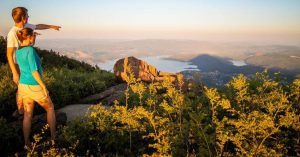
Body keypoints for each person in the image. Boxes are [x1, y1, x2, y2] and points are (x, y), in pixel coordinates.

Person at [6, 7, 61, 114]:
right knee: (20, 87)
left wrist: (51, 27)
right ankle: (20, 111)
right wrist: (14, 73)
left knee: (24, 86)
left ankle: (26, 110)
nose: (28, 16)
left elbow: (38, 26)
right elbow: (9, 55)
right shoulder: (12, 33)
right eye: (27, 15)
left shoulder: (26, 26)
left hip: (27, 60)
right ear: (23, 18)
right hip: (19, 63)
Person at [15, 27, 56, 148]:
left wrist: (34, 36)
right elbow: (34, 71)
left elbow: (25, 66)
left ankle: (27, 143)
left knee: (28, 115)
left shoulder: (18, 50)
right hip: (34, 85)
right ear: (28, 37)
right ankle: (54, 139)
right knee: (50, 108)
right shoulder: (30, 51)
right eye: (33, 36)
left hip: (23, 85)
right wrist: (43, 86)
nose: (34, 37)